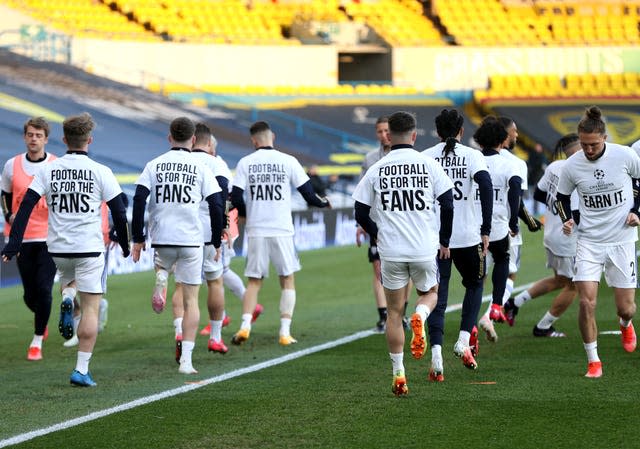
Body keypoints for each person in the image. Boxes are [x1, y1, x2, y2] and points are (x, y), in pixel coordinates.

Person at [1, 112, 130, 387]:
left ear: (63, 140)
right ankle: (81, 369)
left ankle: (68, 296)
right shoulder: (100, 171)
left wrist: (13, 243)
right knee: (92, 308)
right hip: (90, 247)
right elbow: (119, 209)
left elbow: (23, 206)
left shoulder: (48, 169)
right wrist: (126, 242)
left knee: (67, 279)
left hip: (57, 247)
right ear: (89, 140)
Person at [353, 111, 454, 397]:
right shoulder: (428, 165)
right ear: (413, 135)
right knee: (431, 293)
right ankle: (421, 314)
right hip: (423, 247)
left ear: (390, 135)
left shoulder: (377, 168)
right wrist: (444, 239)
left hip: (391, 251)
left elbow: (360, 210)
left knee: (394, 314)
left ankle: (399, 373)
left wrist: (377, 233)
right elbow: (447, 202)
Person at [132, 117, 224, 375]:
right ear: (193, 139)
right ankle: (186, 361)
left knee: (164, 263)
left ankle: (161, 274)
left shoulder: (154, 164)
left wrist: (137, 238)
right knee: (191, 300)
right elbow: (217, 204)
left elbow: (139, 199)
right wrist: (216, 240)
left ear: (169, 137)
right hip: (191, 239)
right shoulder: (201, 167)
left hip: (162, 236)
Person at [555, 106, 640, 378]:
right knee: (586, 303)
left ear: (604, 138)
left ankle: (626, 324)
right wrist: (567, 218)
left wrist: (636, 211)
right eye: (583, 144)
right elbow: (561, 198)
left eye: (593, 145)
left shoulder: (625, 156)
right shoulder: (572, 165)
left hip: (622, 239)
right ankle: (593, 361)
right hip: (589, 241)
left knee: (625, 307)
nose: (588, 150)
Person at [229, 121, 331, 346]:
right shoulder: (288, 161)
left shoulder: (246, 162)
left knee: (254, 281)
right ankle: (284, 332)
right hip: (281, 229)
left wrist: (245, 214)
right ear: (272, 136)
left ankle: (245, 326)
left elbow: (235, 196)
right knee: (287, 279)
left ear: (254, 141)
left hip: (256, 230)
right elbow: (308, 195)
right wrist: (324, 204)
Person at [422, 109, 493, 380]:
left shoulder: (426, 156)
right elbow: (485, 187)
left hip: (436, 239)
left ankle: (436, 356)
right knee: (475, 284)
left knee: (436, 295)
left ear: (438, 132)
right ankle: (463, 340)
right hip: (467, 236)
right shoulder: (473, 156)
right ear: (461, 131)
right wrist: (486, 229)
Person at [503, 134, 581, 337]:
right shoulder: (579, 170)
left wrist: (556, 210)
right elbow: (578, 213)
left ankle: (514, 303)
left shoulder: (556, 167)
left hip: (552, 234)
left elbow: (539, 194)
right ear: (579, 147)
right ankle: (543, 327)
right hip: (568, 238)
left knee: (559, 280)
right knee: (575, 286)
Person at [170, 123, 229, 363]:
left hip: (181, 232)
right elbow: (224, 197)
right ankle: (215, 337)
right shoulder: (217, 164)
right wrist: (222, 229)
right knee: (215, 282)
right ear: (209, 143)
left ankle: (179, 332)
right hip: (207, 232)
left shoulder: (177, 162)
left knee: (181, 287)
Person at [1, 117, 57, 361]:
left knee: (44, 288)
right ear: (25, 137)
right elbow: (5, 193)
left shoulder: (56, 165)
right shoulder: (12, 165)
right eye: (30, 134)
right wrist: (7, 214)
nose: (34, 139)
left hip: (50, 237)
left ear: (46, 139)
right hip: (22, 237)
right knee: (29, 295)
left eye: (38, 135)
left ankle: (36, 341)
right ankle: (42, 317)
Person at [356, 116, 410, 332]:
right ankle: (383, 315)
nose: (384, 135)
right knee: (379, 269)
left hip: (402, 223)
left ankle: (402, 314)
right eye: (379, 131)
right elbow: (361, 194)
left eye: (387, 130)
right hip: (377, 223)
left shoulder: (405, 156)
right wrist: (360, 224)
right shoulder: (370, 159)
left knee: (406, 269)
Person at [474, 116, 522, 343]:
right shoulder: (509, 162)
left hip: (472, 227)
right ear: (503, 139)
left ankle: (470, 323)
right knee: (503, 260)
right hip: (498, 225)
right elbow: (514, 190)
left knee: (475, 278)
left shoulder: (471, 159)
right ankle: (495, 306)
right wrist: (514, 222)